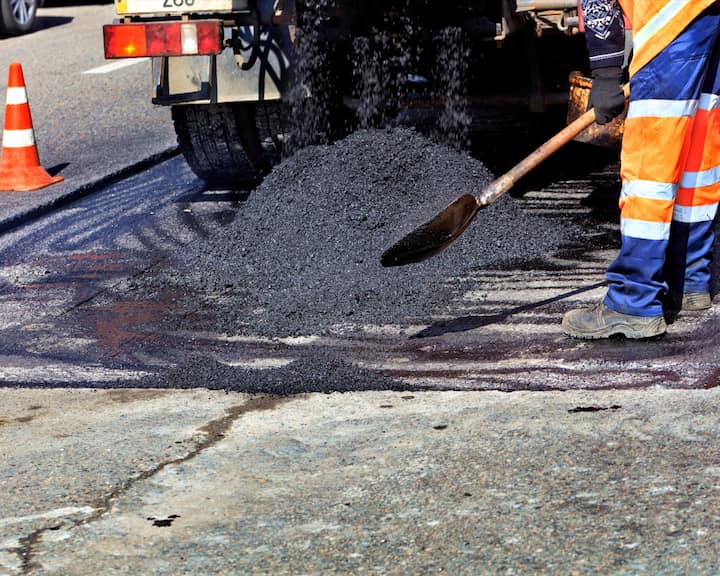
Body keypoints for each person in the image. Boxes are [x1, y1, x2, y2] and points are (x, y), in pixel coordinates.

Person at [562, 0, 720, 339]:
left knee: (650, 161)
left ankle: (633, 302)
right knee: (698, 147)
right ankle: (688, 277)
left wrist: (605, 72)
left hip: (670, 16)